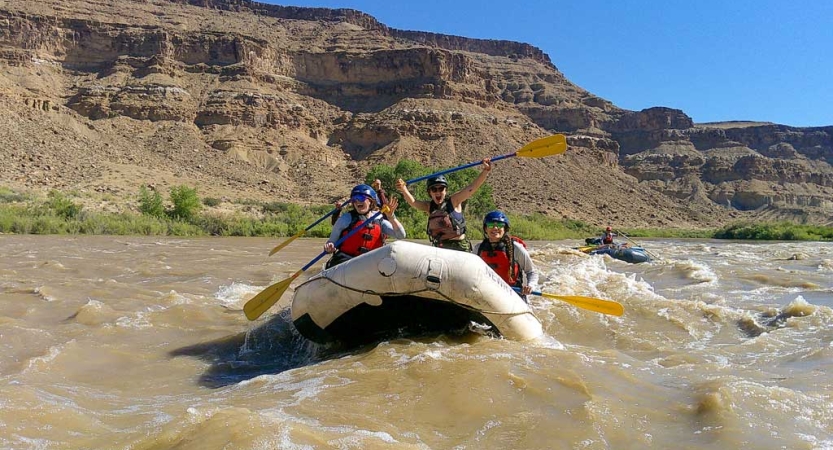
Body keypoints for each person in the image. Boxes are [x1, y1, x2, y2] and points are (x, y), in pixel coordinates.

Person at [395, 159, 492, 252]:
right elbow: (413, 202)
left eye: (441, 189)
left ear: (445, 191)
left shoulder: (454, 201)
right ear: (430, 192)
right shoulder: (429, 206)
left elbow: (471, 188)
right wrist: (403, 189)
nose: (438, 192)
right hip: (440, 247)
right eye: (434, 189)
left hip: (459, 247)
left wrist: (485, 171)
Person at [323, 184, 405, 268]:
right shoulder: (346, 219)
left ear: (371, 201)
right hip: (346, 262)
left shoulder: (379, 219)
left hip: (371, 262)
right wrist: (329, 247)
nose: (358, 201)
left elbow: (401, 235)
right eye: (354, 199)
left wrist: (391, 217)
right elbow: (331, 242)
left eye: (361, 198)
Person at [472, 211, 539, 301]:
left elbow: (531, 271)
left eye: (499, 225)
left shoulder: (516, 248)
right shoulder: (478, 248)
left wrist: (530, 286)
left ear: (505, 229)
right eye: (491, 225)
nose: (495, 228)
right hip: (487, 292)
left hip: (512, 293)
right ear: (485, 229)